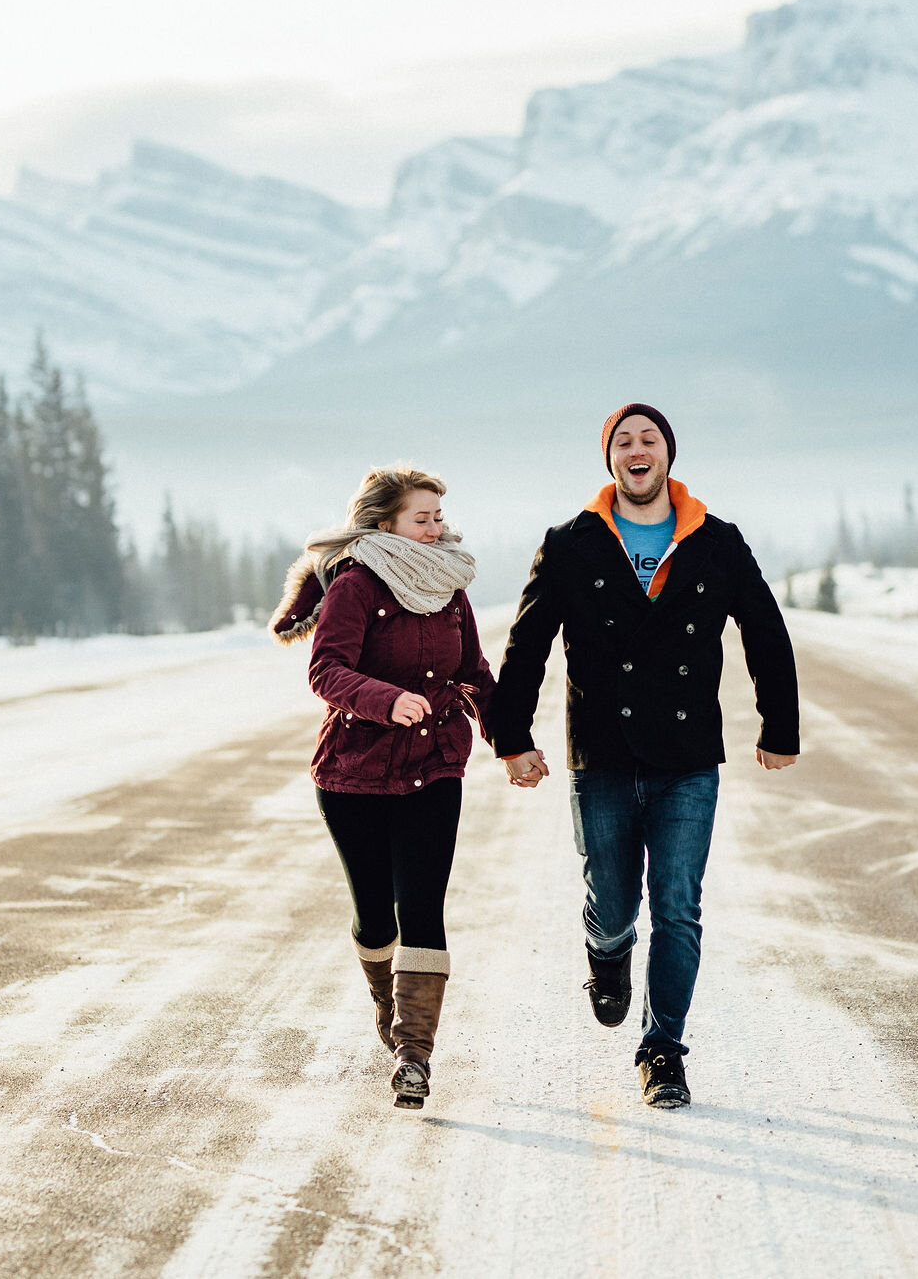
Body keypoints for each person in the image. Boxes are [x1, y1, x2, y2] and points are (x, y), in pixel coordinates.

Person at [491, 404, 799, 1109]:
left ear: (667, 454)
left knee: (679, 907)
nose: (637, 449)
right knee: (614, 901)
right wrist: (512, 738)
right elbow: (526, 644)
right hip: (600, 754)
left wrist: (778, 725)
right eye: (623, 441)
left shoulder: (717, 542)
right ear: (611, 460)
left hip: (687, 758)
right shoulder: (570, 543)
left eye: (649, 438)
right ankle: (607, 949)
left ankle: (662, 1049)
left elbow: (764, 629)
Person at [271, 465, 496, 1110]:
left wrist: (511, 743)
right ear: (383, 524)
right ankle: (384, 999)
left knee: (423, 907)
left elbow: (475, 671)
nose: (434, 529)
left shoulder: (450, 586)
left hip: (434, 767)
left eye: (437, 518)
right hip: (354, 773)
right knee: (377, 915)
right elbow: (326, 669)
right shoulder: (356, 582)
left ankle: (414, 1054)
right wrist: (386, 699)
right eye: (421, 518)